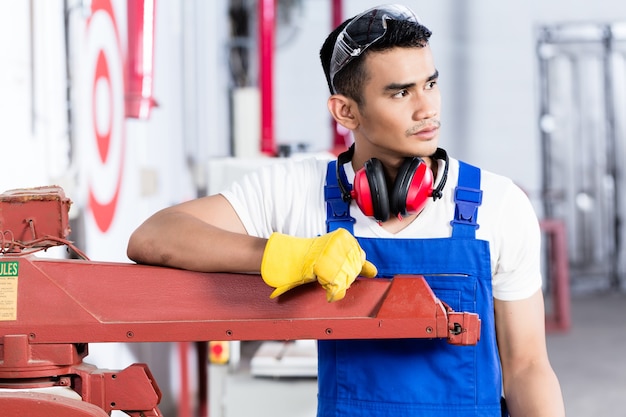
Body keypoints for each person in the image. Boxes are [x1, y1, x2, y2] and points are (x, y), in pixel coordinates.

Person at [127, 4, 565, 416]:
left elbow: (527, 366)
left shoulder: (498, 204)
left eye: (430, 84)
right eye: (400, 93)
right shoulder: (298, 190)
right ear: (346, 111)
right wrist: (291, 255)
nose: (427, 108)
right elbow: (154, 236)